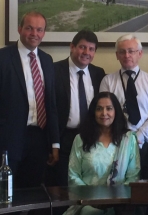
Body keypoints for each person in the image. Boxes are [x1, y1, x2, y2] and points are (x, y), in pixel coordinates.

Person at [0, 11, 60, 188]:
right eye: (29, 28)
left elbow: (51, 105)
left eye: (39, 29)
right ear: (20, 29)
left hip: (39, 141)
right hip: (8, 141)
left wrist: (55, 143)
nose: (34, 33)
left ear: (44, 33)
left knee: (32, 196)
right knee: (4, 198)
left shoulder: (47, 60)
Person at [64, 92, 140, 215]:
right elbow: (73, 176)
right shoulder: (81, 139)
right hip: (87, 203)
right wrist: (92, 200)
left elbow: (133, 177)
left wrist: (114, 200)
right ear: (93, 112)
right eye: (99, 109)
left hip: (119, 205)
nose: (104, 113)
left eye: (109, 108)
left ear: (116, 111)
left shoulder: (128, 139)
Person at [49, 30, 106, 187]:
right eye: (82, 47)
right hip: (64, 138)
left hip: (91, 137)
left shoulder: (98, 73)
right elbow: (50, 108)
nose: (86, 52)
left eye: (91, 49)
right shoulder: (54, 70)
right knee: (63, 184)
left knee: (88, 182)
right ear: (72, 47)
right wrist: (54, 144)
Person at [99, 34, 148, 153]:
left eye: (131, 51)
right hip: (115, 142)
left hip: (146, 143)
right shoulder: (107, 81)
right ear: (117, 55)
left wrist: (137, 137)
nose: (127, 55)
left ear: (140, 53)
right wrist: (118, 138)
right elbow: (104, 114)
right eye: (122, 52)